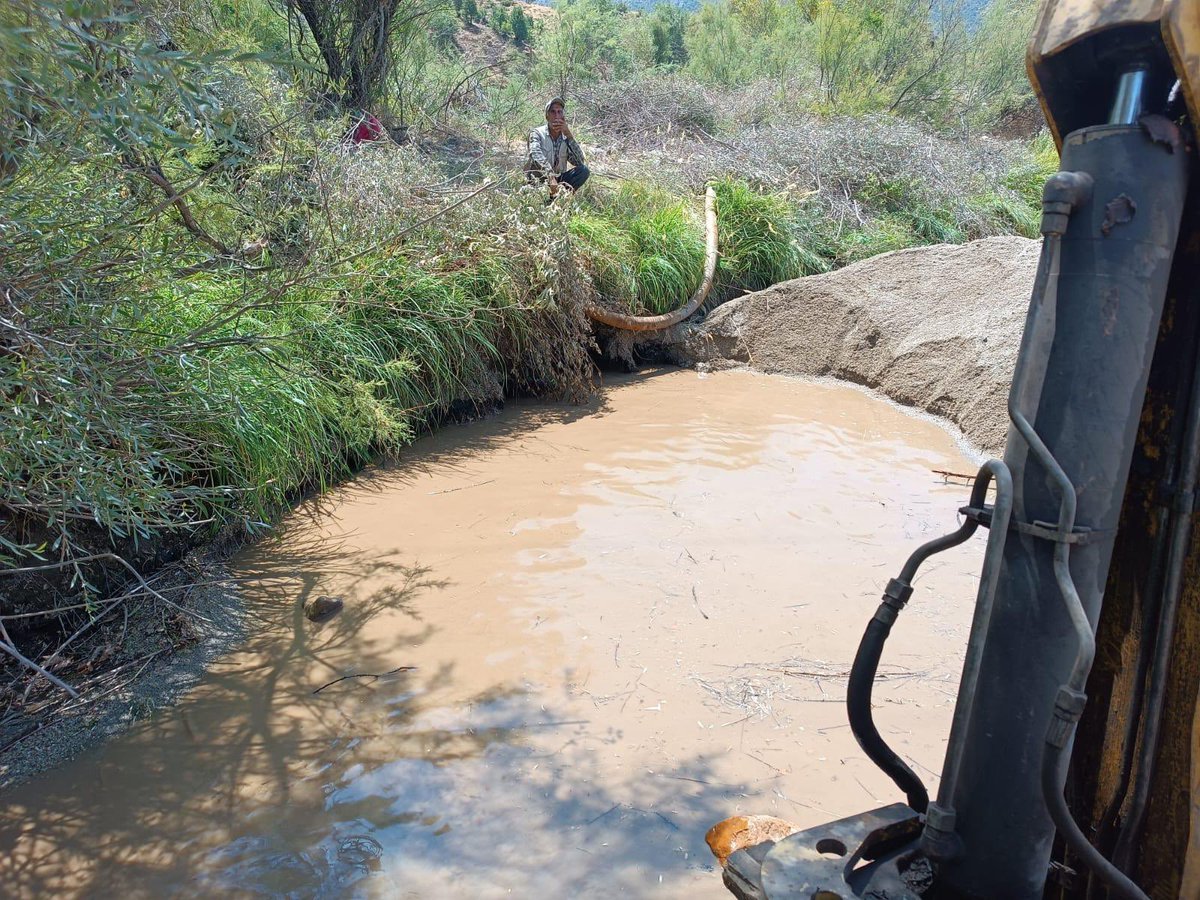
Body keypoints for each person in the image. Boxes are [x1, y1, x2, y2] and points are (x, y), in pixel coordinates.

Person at [525, 97, 589, 196]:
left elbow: (579, 162)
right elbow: (535, 154)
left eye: (559, 112)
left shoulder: (566, 137)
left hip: (558, 179)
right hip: (539, 179)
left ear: (563, 116)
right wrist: (550, 174)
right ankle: (548, 197)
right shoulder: (537, 133)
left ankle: (561, 199)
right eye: (553, 112)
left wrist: (569, 135)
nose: (556, 116)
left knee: (583, 171)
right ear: (547, 116)